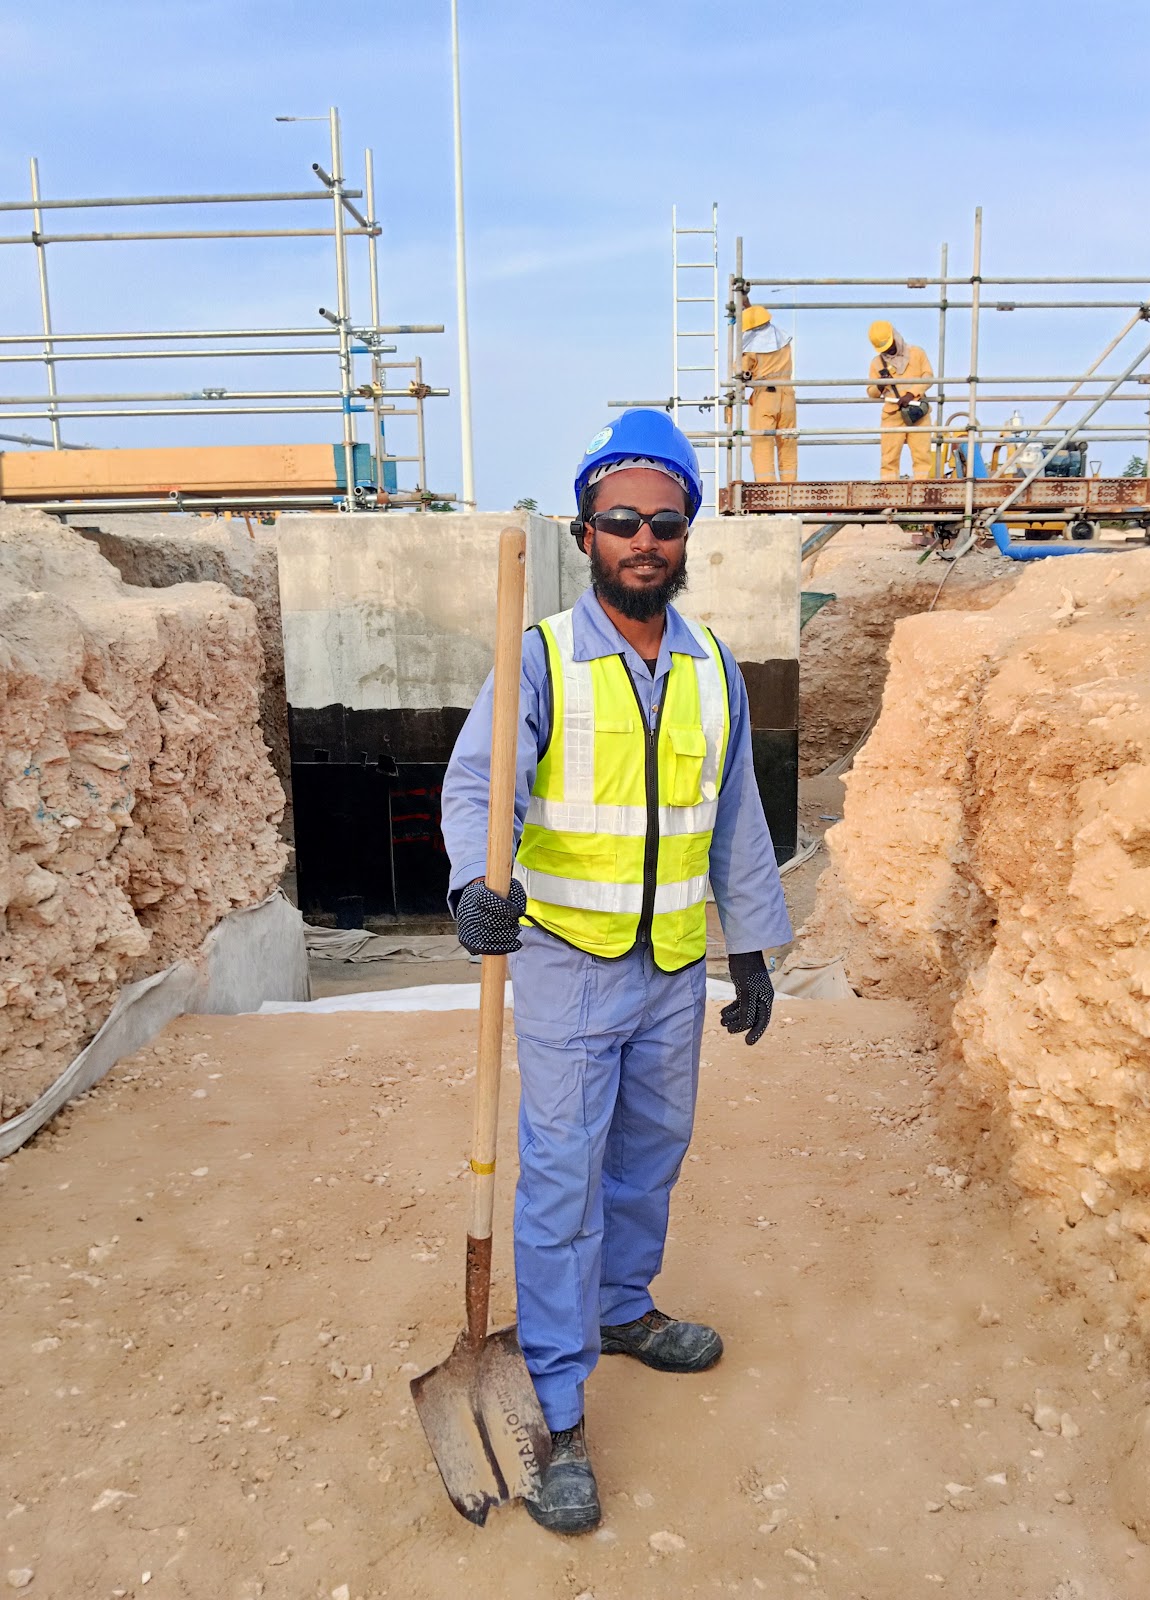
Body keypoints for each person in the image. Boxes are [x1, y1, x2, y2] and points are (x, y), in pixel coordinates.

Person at [440, 408, 792, 1535]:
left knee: (648, 1160)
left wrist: (750, 949)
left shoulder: (712, 666)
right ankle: (555, 1406)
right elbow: (479, 786)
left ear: (688, 534)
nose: (645, 540)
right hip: (569, 967)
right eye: (624, 521)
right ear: (586, 531)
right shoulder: (541, 657)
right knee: (560, 1183)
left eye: (665, 522)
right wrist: (473, 883)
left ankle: (623, 1308)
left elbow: (734, 816)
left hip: (672, 968)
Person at [867, 320, 933, 480]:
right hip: (892, 415)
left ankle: (923, 488)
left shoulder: (917, 353)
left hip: (917, 412)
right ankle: (889, 490)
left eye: (890, 345)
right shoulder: (877, 363)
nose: (889, 350)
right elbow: (871, 392)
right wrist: (880, 385)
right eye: (884, 348)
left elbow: (928, 377)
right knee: (889, 458)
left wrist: (911, 394)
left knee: (922, 455)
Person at [741, 304, 796, 482]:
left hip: (765, 397)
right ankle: (790, 488)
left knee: (762, 445)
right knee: (787, 443)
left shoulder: (752, 349)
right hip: (788, 396)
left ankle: (767, 488)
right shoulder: (784, 342)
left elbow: (740, 373)